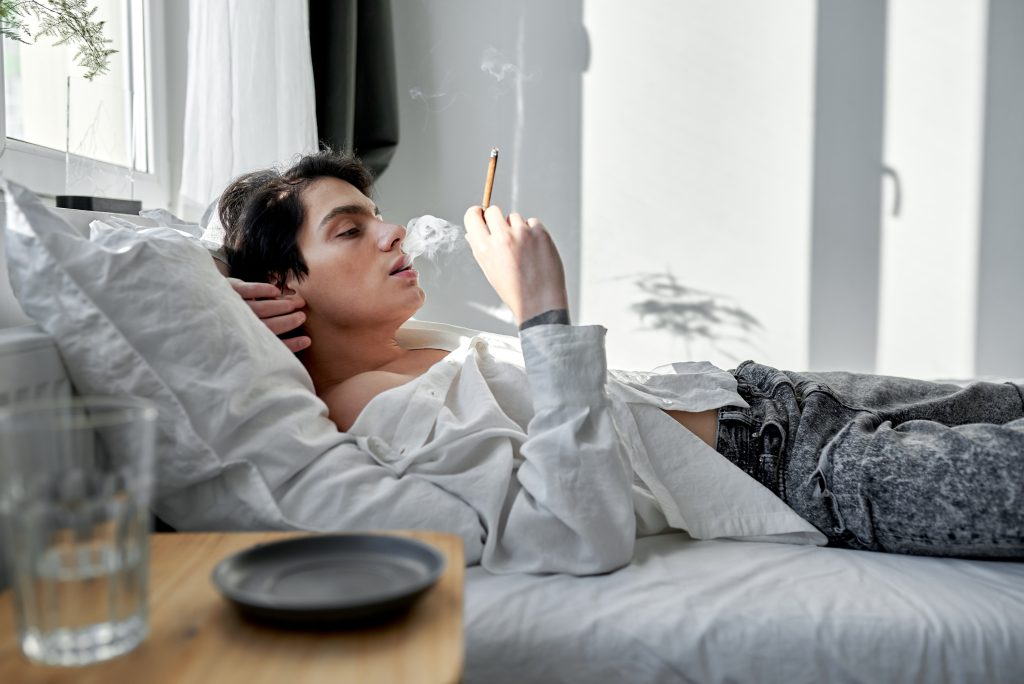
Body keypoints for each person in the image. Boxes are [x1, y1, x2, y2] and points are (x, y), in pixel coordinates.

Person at [216, 149, 1023, 574]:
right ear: (286, 281)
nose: (393, 233)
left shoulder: (420, 346)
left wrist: (240, 298)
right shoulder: (369, 409)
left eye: (380, 216)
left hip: (775, 393)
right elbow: (575, 531)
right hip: (799, 465)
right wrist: (542, 312)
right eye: (352, 230)